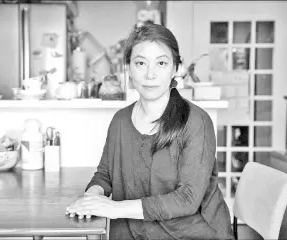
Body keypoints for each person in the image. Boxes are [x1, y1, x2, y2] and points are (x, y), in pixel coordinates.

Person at [66, 23, 234, 240]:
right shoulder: (120, 120)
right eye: (140, 63)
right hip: (132, 233)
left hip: (194, 234)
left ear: (175, 68)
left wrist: (114, 208)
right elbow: (105, 175)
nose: (150, 74)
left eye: (161, 63)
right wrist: (91, 199)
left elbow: (187, 199)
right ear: (129, 68)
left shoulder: (196, 122)